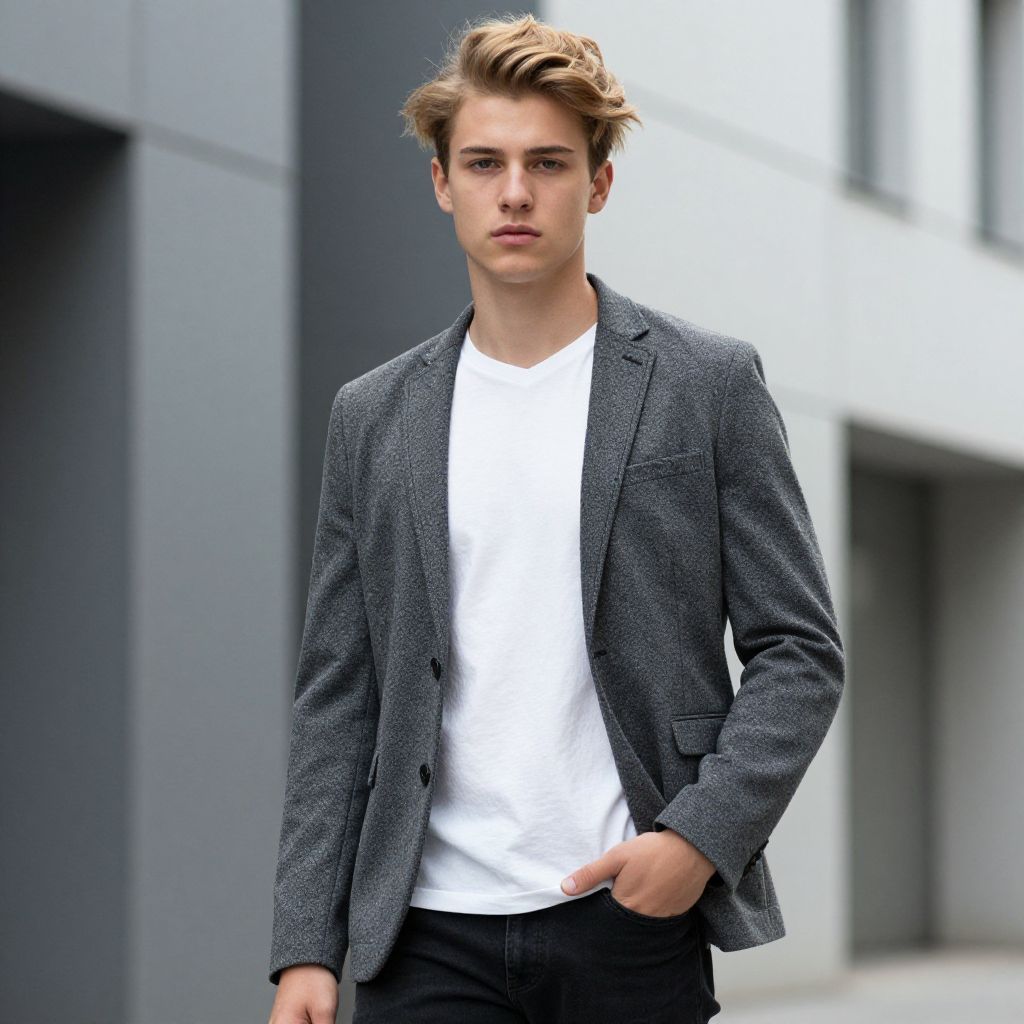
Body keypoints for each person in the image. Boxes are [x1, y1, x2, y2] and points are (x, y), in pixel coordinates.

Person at [268, 13, 845, 1024]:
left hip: (624, 916)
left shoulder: (704, 385)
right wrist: (306, 946)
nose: (516, 192)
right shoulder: (374, 416)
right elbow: (336, 693)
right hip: (424, 930)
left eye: (548, 162)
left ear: (599, 182)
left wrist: (700, 837)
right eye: (484, 163)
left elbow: (798, 650)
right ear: (443, 183)